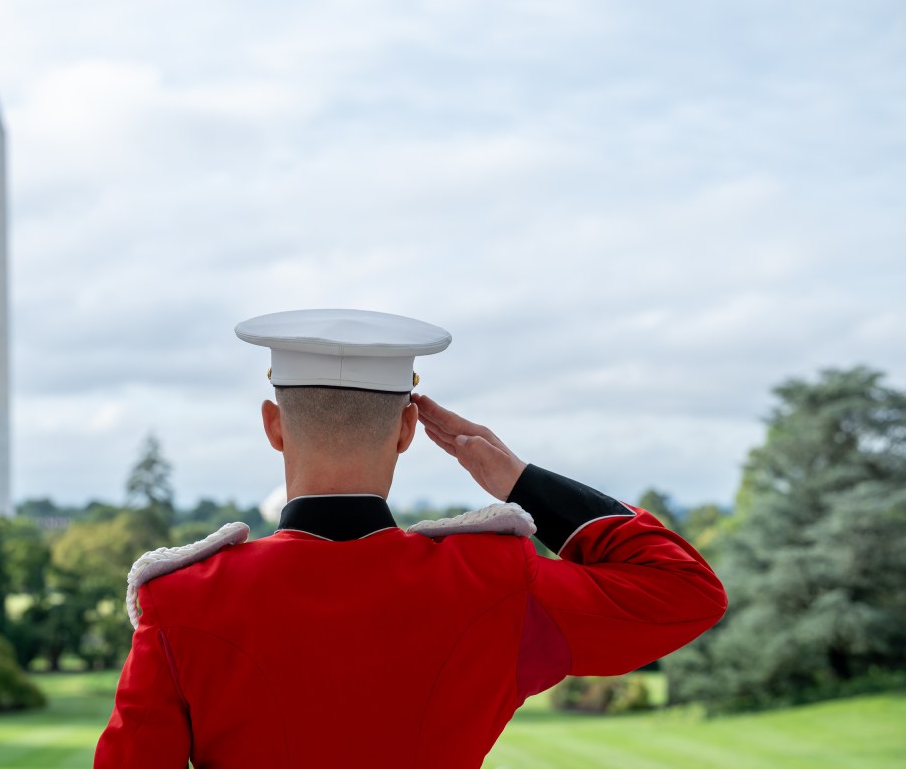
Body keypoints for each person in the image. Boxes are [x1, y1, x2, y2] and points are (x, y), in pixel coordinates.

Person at [94, 309, 726, 768]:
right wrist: (521, 482)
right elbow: (685, 591)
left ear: (273, 426)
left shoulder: (183, 598)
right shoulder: (494, 581)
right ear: (405, 429)